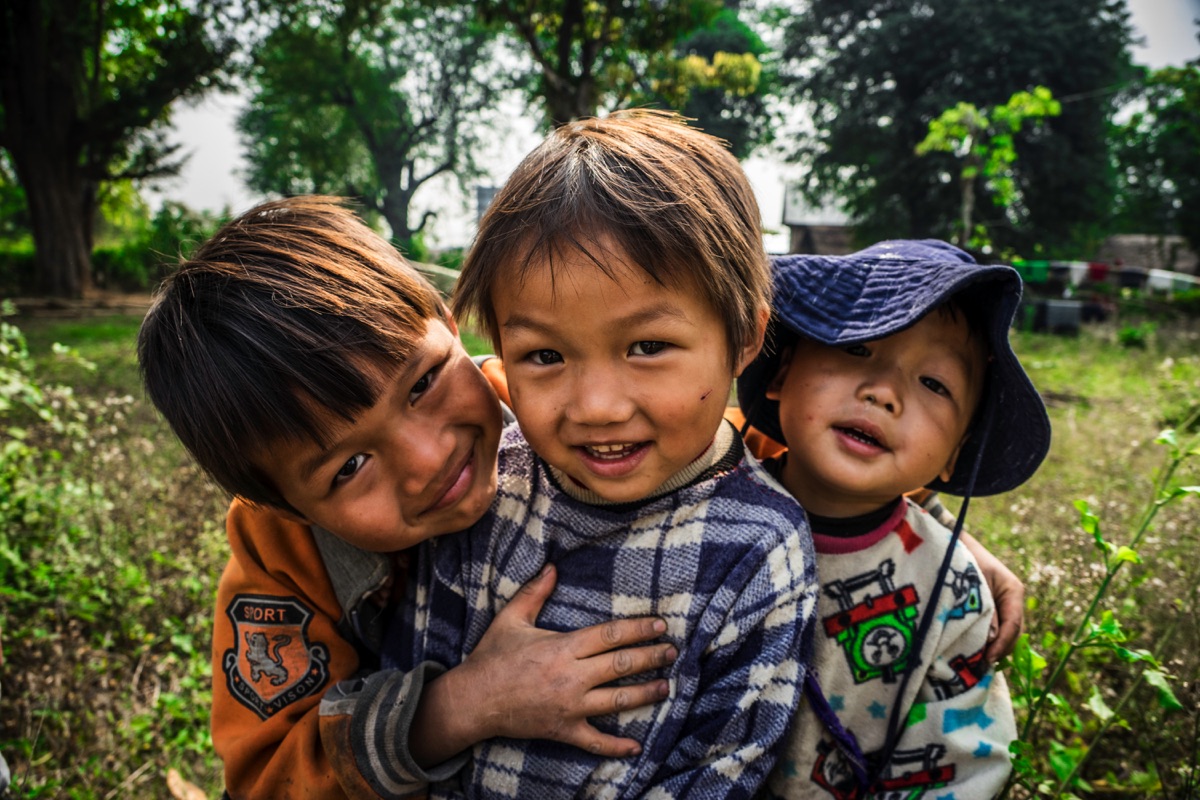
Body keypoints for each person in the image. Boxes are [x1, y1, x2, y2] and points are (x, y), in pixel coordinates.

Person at [136, 196, 680, 799]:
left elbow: (708, 445)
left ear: (449, 323)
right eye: (350, 467)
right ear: (289, 507)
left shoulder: (541, 400)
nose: (427, 460)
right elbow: (267, 777)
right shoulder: (281, 545)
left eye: (423, 382)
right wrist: (463, 706)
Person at [385, 110, 820, 799]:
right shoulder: (489, 490)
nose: (595, 407)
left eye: (647, 347)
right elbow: (406, 673)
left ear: (744, 337)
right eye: (545, 355)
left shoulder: (761, 544)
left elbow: (723, 770)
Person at [736, 240, 1052, 798]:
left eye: (934, 384)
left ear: (955, 454)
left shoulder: (951, 588)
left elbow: (963, 765)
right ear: (781, 371)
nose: (883, 392)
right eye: (857, 347)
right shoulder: (700, 500)